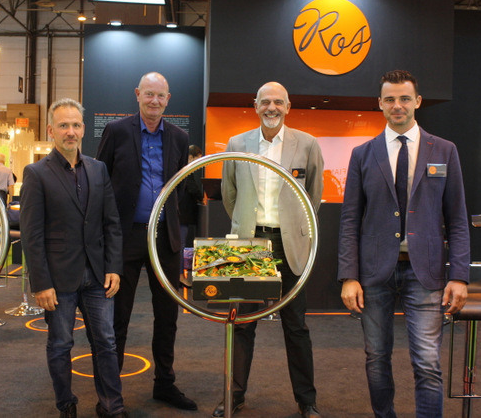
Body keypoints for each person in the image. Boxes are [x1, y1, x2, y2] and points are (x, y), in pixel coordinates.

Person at [338, 70, 470, 418]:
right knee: (376, 358)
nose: (398, 105)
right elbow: (350, 220)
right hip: (374, 274)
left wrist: (459, 276)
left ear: (418, 102)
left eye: (405, 98)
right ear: (380, 104)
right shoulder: (363, 154)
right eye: (390, 99)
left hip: (425, 272)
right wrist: (349, 276)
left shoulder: (445, 150)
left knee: (427, 362)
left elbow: (457, 219)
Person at [217, 81, 324, 418]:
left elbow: (313, 196)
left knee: (296, 326)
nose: (271, 108)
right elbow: (229, 195)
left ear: (288, 107)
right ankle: (234, 396)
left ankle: (306, 401)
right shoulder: (237, 144)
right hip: (250, 245)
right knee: (242, 323)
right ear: (255, 106)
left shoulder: (307, 144)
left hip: (290, 243)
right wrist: (245, 226)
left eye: (278, 102)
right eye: (265, 102)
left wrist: (294, 226)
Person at [20, 98, 128, 418]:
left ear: (83, 129)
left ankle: (111, 406)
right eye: (63, 125)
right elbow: (32, 235)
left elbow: (111, 223)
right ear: (50, 130)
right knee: (60, 345)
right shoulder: (36, 173)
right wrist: (40, 283)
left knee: (106, 342)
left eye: (76, 125)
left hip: (97, 276)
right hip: (57, 280)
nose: (71, 131)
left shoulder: (98, 169)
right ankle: (66, 405)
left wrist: (114, 267)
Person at [96, 72, 196, 411]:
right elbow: (100, 180)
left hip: (165, 238)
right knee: (117, 317)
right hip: (125, 237)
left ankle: (165, 384)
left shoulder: (179, 137)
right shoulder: (117, 131)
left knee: (167, 316)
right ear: (138, 94)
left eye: (160, 96)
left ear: (168, 99)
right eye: (149, 94)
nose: (154, 101)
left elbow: (180, 184)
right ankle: (110, 394)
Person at [178, 144, 204, 286]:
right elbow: (193, 189)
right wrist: (201, 197)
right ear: (190, 157)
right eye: (197, 159)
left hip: (181, 214)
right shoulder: (186, 170)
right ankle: (180, 276)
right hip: (182, 215)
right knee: (180, 244)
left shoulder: (180, 168)